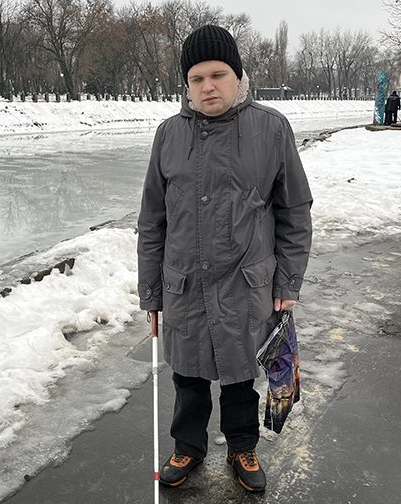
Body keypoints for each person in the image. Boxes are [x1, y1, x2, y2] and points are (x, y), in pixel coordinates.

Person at [137, 25, 313, 493]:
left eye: (217, 75)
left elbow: (294, 211)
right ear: (187, 84)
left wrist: (287, 283)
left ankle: (242, 446)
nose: (208, 86)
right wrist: (151, 292)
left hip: (246, 283)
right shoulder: (169, 135)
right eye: (197, 78)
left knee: (240, 374)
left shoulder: (271, 128)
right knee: (188, 375)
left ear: (238, 76)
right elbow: (152, 220)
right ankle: (188, 446)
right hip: (184, 285)